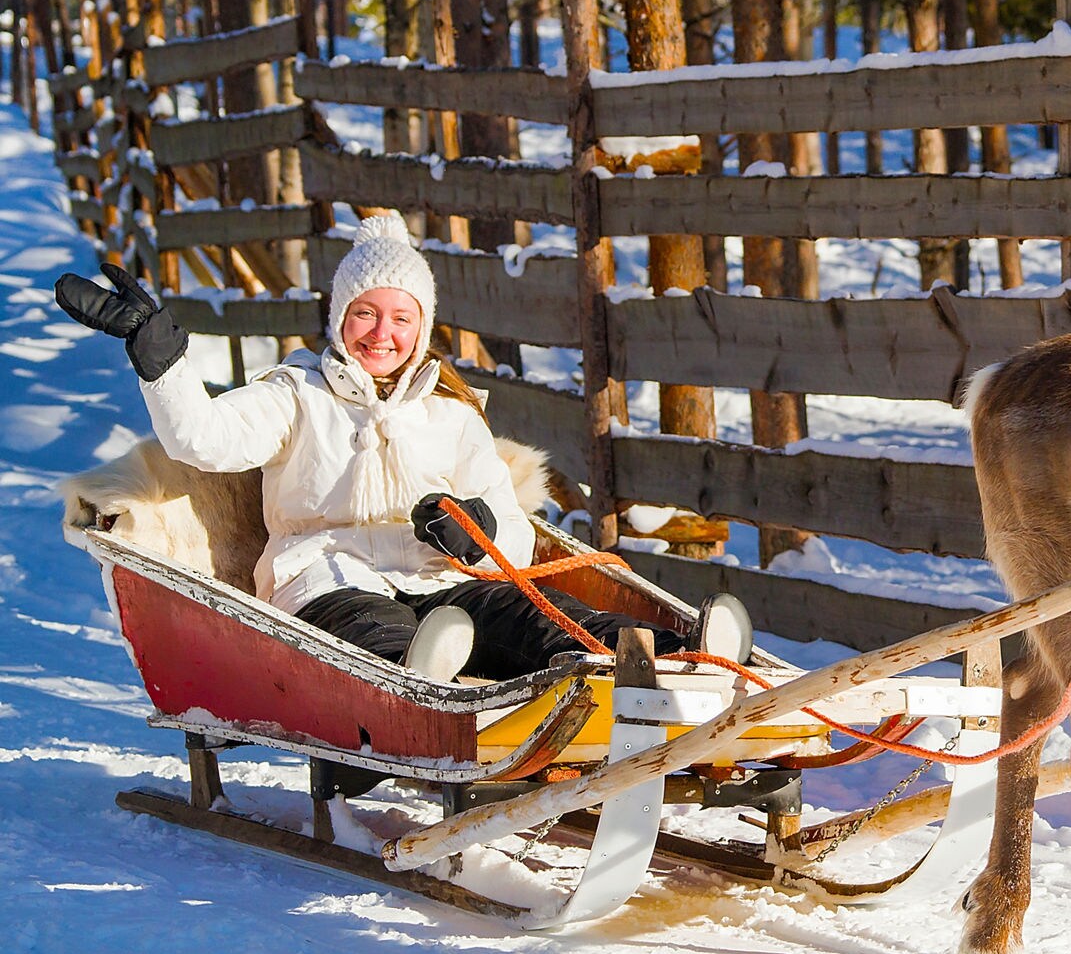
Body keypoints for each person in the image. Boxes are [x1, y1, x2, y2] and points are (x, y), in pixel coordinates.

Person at [54, 213, 753, 683]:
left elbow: (511, 528)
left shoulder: (450, 411)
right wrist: (162, 365)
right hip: (325, 583)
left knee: (530, 617)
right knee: (379, 631)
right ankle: (427, 693)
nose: (380, 333)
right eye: (364, 313)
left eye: (399, 317)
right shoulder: (296, 392)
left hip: (440, 578)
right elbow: (199, 440)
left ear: (423, 327)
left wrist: (473, 530)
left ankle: (678, 659)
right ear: (339, 317)